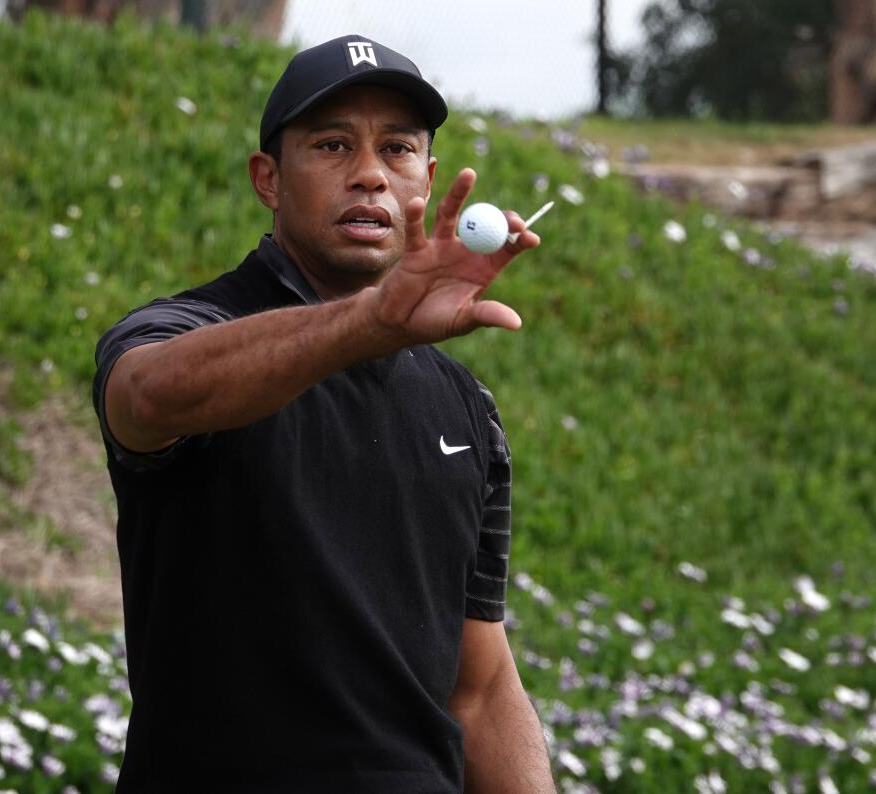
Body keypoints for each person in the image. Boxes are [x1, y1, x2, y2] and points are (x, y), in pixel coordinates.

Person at [92, 33, 556, 794]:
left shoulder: (467, 408)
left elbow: (480, 688)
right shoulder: (180, 333)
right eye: (333, 145)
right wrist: (371, 322)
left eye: (397, 149)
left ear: (428, 179)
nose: (369, 174)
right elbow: (146, 397)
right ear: (268, 178)